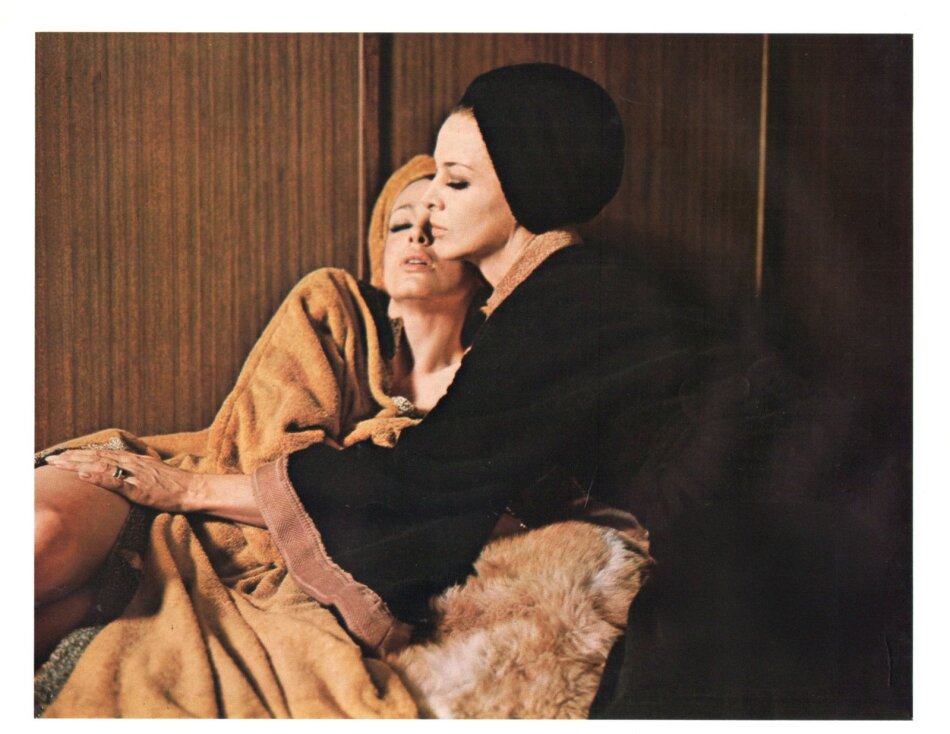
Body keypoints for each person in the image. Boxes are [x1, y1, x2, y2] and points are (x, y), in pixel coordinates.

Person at [50, 64, 896, 716]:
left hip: (806, 532)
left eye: (457, 183)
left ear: (525, 184)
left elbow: (424, 480)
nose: (434, 207)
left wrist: (189, 489)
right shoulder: (555, 296)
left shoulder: (568, 299)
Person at [35, 154, 485, 664]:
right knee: (41, 538)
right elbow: (265, 452)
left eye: (436, 222)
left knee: (52, 630)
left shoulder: (494, 385)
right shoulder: (332, 305)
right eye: (400, 224)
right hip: (168, 485)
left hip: (275, 566)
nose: (416, 235)